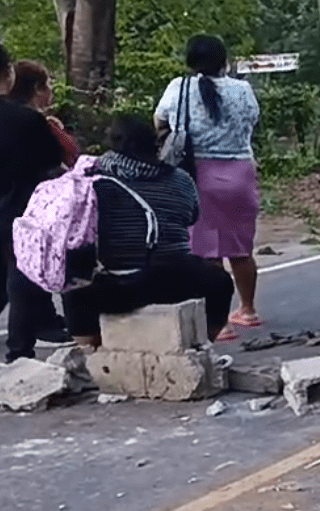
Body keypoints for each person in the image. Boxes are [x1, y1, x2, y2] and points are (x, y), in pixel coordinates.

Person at [60, 115, 234, 347]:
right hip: (179, 280)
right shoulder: (181, 180)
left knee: (74, 291)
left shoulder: (93, 180)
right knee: (220, 282)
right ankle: (204, 343)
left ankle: (89, 351)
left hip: (119, 287)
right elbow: (191, 217)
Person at [154, 35, 260, 341]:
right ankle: (249, 310)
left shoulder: (178, 88)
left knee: (207, 252)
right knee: (241, 248)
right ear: (224, 61)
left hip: (199, 175)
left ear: (190, 61)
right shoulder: (243, 90)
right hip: (241, 173)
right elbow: (252, 122)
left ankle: (220, 322)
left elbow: (159, 121)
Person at [0, 47, 69, 361]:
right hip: (18, 206)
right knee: (22, 274)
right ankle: (19, 351)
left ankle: (35, 333)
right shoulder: (25, 120)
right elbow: (52, 162)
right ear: (7, 73)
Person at [9, 60, 80, 167]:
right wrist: (59, 130)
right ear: (38, 88)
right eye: (48, 84)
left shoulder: (9, 119)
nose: (51, 89)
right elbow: (73, 155)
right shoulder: (40, 124)